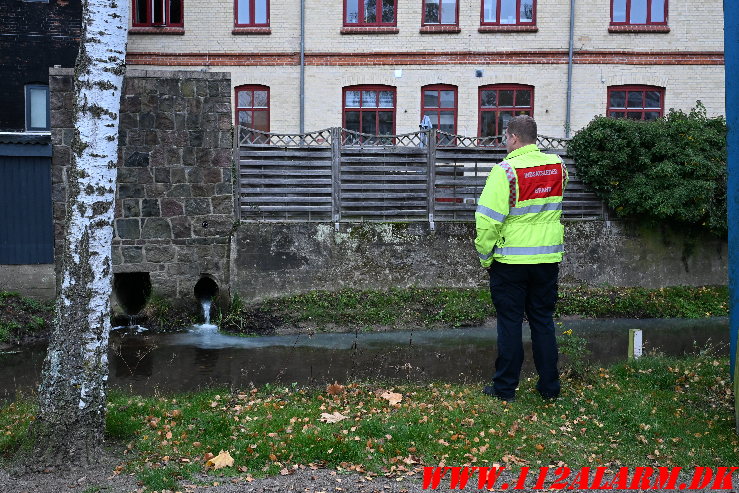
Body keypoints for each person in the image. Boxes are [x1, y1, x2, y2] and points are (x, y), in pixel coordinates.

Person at [474, 115, 568, 402]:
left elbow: (488, 221)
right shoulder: (558, 167)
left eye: (505, 137)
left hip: (510, 263)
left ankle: (505, 389)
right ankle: (549, 388)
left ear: (513, 137)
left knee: (510, 323)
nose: (504, 142)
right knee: (542, 321)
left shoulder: (505, 171)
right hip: (547, 258)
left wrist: (485, 257)